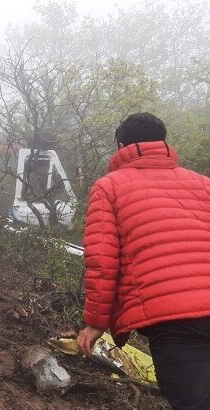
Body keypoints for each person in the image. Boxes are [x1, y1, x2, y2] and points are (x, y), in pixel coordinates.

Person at [76, 112, 210, 409]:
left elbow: (102, 260)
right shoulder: (203, 184)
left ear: (121, 145)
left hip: (174, 320)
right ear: (162, 142)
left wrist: (95, 322)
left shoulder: (109, 187)